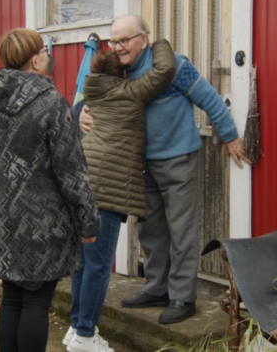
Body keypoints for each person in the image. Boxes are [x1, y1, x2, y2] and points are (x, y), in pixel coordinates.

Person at [80, 15, 251, 325]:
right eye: (113, 41)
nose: (117, 48)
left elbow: (209, 99)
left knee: (182, 231)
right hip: (139, 164)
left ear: (143, 40)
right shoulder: (118, 73)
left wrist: (231, 137)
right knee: (150, 230)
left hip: (178, 160)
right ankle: (156, 287)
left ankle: (183, 297)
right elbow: (96, 102)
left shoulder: (174, 66)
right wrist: (83, 116)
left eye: (124, 40)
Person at [0, 28, 101, 352]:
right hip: (43, 225)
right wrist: (88, 222)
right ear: (35, 59)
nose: (48, 55)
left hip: (3, 220)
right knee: (35, 303)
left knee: (13, 298)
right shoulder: (51, 103)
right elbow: (71, 171)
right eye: (45, 50)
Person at [65, 42, 176, 352]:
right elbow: (165, 70)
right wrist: (155, 43)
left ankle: (76, 328)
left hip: (83, 183)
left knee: (83, 264)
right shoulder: (128, 92)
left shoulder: (92, 96)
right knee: (99, 266)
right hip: (107, 190)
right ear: (121, 74)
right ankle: (86, 335)